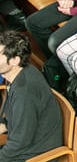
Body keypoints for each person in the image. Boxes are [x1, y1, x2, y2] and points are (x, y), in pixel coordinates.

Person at [0, 31, 63, 161]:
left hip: (34, 154)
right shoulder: (21, 71)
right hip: (24, 146)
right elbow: (13, 120)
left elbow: (19, 143)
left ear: (14, 61)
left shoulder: (24, 92)